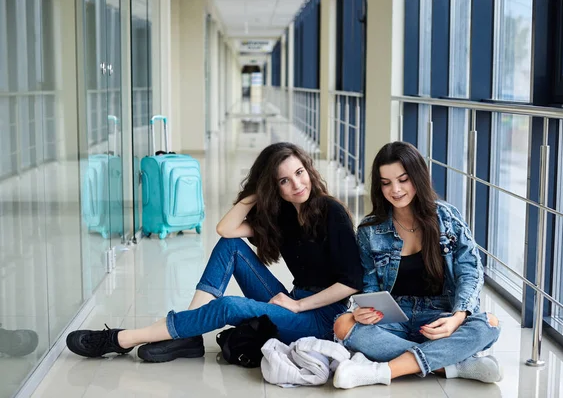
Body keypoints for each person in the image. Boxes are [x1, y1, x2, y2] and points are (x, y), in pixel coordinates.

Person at [67, 142, 363, 363]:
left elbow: (352, 282)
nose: (297, 184)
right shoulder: (283, 216)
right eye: (284, 180)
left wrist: (299, 306)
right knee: (230, 248)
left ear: (308, 170)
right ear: (275, 187)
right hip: (291, 303)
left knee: (230, 305)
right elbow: (226, 230)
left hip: (322, 319)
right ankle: (189, 334)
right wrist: (256, 194)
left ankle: (121, 338)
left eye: (299, 173)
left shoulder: (331, 212)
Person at [332, 141, 502, 389]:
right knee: (342, 324)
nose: (396, 190)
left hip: (439, 317)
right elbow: (369, 283)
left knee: (490, 324)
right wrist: (365, 310)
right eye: (386, 182)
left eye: (403, 179)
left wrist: (457, 317)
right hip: (393, 317)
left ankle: (381, 371)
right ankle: (454, 364)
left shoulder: (447, 218)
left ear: (418, 177)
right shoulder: (370, 229)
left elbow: (471, 272)